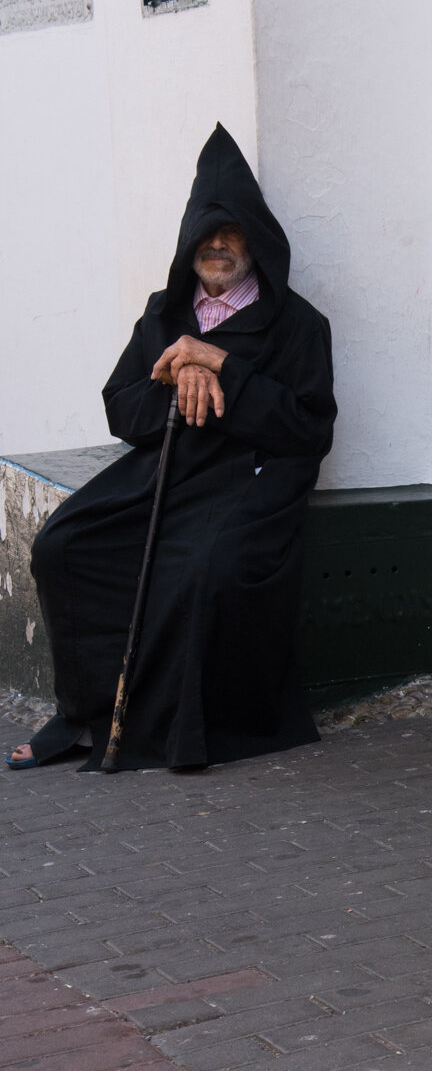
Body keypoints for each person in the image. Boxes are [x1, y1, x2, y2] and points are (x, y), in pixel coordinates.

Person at [8, 125, 335, 773]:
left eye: (232, 232)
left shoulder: (299, 324)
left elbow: (308, 428)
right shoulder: (165, 313)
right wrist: (174, 375)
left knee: (202, 569)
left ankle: (169, 727)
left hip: (250, 480)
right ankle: (87, 712)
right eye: (206, 233)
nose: (217, 245)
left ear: (256, 240)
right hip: (168, 474)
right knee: (64, 547)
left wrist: (220, 364)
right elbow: (122, 409)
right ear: (188, 242)